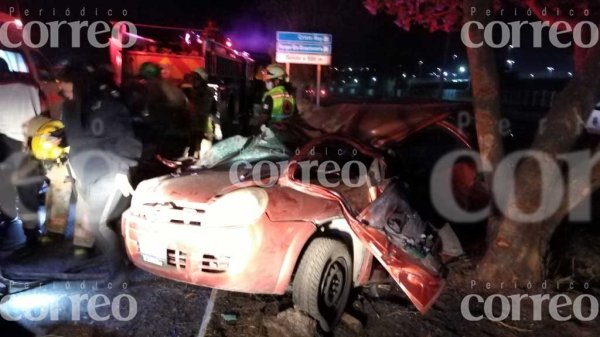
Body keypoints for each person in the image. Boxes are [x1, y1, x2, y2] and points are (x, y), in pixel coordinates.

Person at [56, 64, 141, 258]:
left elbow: (125, 138)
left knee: (98, 225)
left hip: (107, 172)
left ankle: (118, 276)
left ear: (80, 86)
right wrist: (59, 139)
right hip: (84, 174)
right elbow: (74, 134)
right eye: (62, 88)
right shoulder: (69, 106)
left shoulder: (106, 104)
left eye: (68, 88)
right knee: (94, 223)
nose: (63, 92)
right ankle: (114, 265)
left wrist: (122, 169)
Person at [0, 57, 44, 252]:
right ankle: (32, 234)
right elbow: (43, 108)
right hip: (33, 140)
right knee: (28, 189)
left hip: (7, 141)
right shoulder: (29, 83)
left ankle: (8, 216)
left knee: (6, 183)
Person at [138, 62, 190, 158]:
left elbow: (151, 113)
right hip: (177, 136)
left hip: (166, 138)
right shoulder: (170, 88)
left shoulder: (154, 86)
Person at [187, 68, 221, 158]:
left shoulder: (203, 92)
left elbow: (212, 108)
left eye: (196, 78)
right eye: (193, 78)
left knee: (197, 135)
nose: (194, 81)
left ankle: (194, 153)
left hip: (201, 118)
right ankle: (194, 153)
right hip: (197, 118)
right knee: (196, 136)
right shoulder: (193, 91)